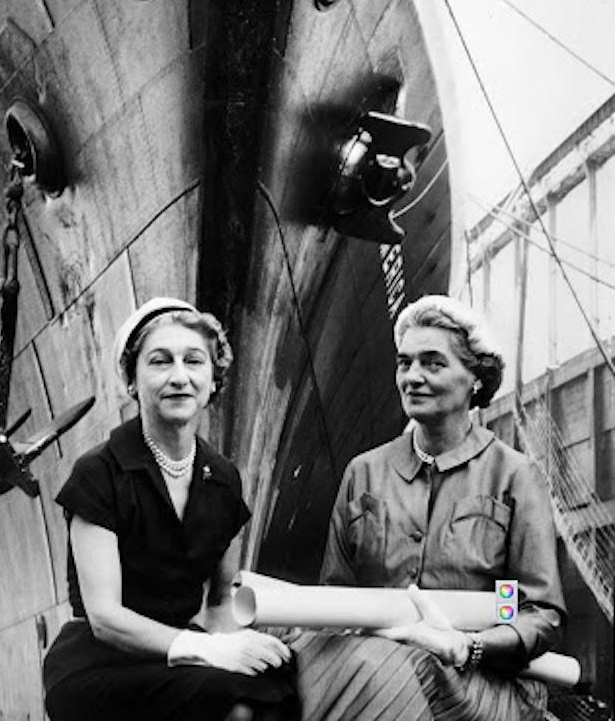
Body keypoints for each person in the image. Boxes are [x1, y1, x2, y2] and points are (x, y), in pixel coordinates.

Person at [293, 294, 566, 721]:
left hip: (482, 681)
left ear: (476, 379)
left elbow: (540, 614)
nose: (412, 377)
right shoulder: (362, 473)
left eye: (433, 363)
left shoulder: (515, 476)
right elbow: (336, 599)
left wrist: (466, 646)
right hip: (373, 668)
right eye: (405, 363)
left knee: (381, 676)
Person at [43, 297, 298, 721]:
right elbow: (104, 618)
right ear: (132, 380)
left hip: (178, 660)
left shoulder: (223, 479)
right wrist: (208, 650)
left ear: (213, 380)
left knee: (276, 685)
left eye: (194, 362)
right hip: (96, 666)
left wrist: (241, 646)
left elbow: (219, 601)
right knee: (235, 701)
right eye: (160, 362)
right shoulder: (99, 473)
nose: (179, 376)